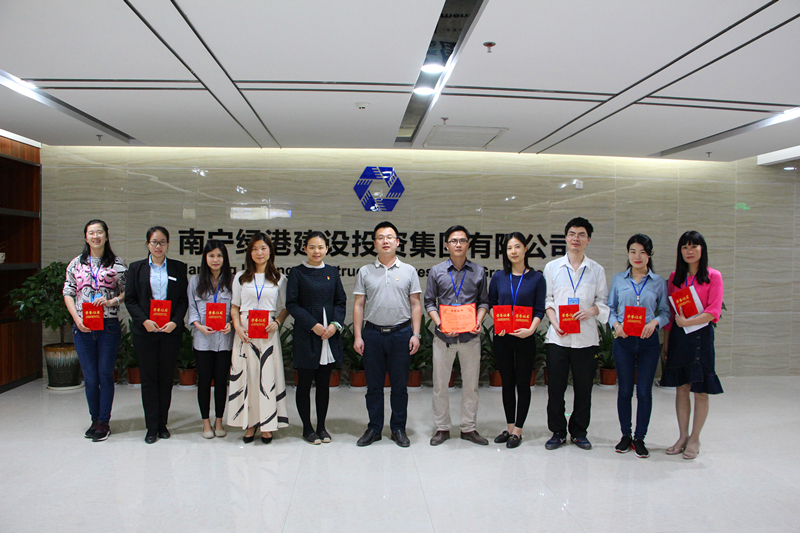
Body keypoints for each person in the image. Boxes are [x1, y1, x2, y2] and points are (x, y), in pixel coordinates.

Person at [353, 221, 422, 447]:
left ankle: (398, 428)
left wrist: (416, 334)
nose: (385, 241)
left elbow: (416, 304)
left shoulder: (409, 270)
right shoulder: (365, 271)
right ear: (374, 243)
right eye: (380, 237)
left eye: (390, 237)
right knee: (373, 386)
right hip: (372, 334)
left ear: (397, 242)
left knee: (399, 386)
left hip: (401, 334)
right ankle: (374, 428)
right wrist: (358, 336)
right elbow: (359, 305)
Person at [543, 217, 609, 451]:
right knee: (555, 389)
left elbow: (603, 302)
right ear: (565, 237)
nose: (576, 239)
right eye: (572, 234)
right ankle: (558, 432)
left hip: (586, 340)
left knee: (584, 389)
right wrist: (555, 323)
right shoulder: (552, 268)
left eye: (581, 235)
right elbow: (547, 300)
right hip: (558, 338)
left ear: (588, 239)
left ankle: (579, 432)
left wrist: (592, 310)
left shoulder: (596, 270)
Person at [424, 225, 490, 446]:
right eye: (454, 241)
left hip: (470, 338)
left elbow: (484, 302)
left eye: (462, 240)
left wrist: (478, 320)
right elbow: (429, 302)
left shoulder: (479, 271)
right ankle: (442, 428)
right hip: (444, 338)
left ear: (468, 244)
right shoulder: (436, 271)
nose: (458, 244)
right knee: (440, 385)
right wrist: (440, 324)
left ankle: (468, 428)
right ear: (447, 245)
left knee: (471, 386)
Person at [661, 230, 724, 460]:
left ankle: (695, 438)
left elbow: (714, 311)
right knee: (681, 388)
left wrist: (688, 322)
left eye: (694, 246)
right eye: (685, 247)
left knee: (700, 389)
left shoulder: (713, 276)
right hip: (680, 337)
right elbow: (670, 315)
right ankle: (682, 436)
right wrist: (667, 342)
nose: (689, 251)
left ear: (702, 249)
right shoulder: (675, 278)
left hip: (701, 338)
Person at [63, 219, 127, 442]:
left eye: (100, 232)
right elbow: (68, 292)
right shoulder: (76, 264)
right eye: (91, 233)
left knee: (105, 374)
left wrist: (112, 301)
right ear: (86, 237)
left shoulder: (117, 264)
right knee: (90, 377)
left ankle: (104, 422)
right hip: (83, 326)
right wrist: (76, 318)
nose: (96, 236)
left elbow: (127, 292)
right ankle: (94, 420)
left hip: (108, 326)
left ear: (106, 236)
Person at [607, 234, 670, 458]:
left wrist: (654, 322)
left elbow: (665, 312)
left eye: (643, 252)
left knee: (644, 391)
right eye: (633, 251)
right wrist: (616, 325)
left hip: (648, 342)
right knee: (624, 390)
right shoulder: (618, 280)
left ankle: (640, 438)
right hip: (623, 340)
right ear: (628, 253)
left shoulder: (658, 282)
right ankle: (625, 435)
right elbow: (610, 308)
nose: (637, 256)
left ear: (649, 255)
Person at [125, 226, 189, 444]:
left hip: (170, 332)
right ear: (147, 244)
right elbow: (130, 299)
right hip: (145, 332)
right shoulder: (136, 268)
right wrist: (144, 321)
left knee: (166, 378)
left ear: (168, 244)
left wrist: (175, 322)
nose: (158, 246)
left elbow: (183, 300)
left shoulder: (178, 268)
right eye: (154, 242)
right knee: (149, 379)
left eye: (162, 242)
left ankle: (163, 425)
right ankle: (151, 427)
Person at [286, 231, 347, 444]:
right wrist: (313, 325)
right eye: (312, 247)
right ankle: (307, 428)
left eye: (320, 247)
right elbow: (292, 304)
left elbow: (340, 301)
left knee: (323, 385)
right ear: (305, 249)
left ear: (327, 249)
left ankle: (321, 427)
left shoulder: (332, 272)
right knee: (304, 384)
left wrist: (335, 325)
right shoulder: (297, 273)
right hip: (307, 335)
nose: (316, 251)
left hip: (328, 337)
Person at [229, 232, 290, 444]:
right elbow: (234, 306)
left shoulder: (280, 278)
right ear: (249, 252)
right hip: (245, 333)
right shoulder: (240, 277)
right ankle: (250, 423)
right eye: (254, 249)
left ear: (270, 251)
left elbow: (285, 307)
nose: (259, 253)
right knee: (248, 377)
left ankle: (268, 424)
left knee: (267, 378)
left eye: (263, 248)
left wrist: (278, 322)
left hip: (267, 332)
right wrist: (237, 326)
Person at [488, 232, 546, 449]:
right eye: (509, 248)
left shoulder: (537, 278)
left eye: (517, 246)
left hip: (525, 337)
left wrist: (531, 329)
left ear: (526, 249)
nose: (513, 251)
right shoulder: (498, 277)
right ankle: (510, 426)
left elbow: (539, 308)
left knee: (523, 383)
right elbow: (491, 303)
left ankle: (519, 429)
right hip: (503, 337)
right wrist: (498, 322)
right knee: (507, 383)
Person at [187, 240, 234, 439]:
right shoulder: (195, 281)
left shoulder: (233, 281)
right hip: (203, 340)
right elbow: (192, 308)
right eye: (211, 255)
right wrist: (198, 325)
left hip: (225, 340)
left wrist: (231, 323)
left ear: (225, 258)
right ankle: (206, 422)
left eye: (219, 256)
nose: (216, 259)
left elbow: (237, 309)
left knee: (221, 382)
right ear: (205, 258)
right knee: (205, 381)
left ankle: (219, 421)